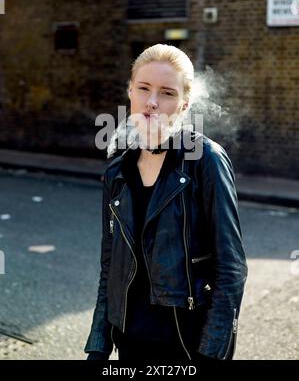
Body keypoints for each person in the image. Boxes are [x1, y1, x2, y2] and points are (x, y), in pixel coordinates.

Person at [84, 44, 248, 362]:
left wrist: (210, 353)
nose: (152, 102)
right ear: (130, 91)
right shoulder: (117, 170)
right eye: (143, 88)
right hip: (128, 342)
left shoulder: (205, 160)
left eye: (167, 93)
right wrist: (99, 344)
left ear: (184, 104)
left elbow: (231, 270)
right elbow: (110, 268)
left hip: (186, 345)